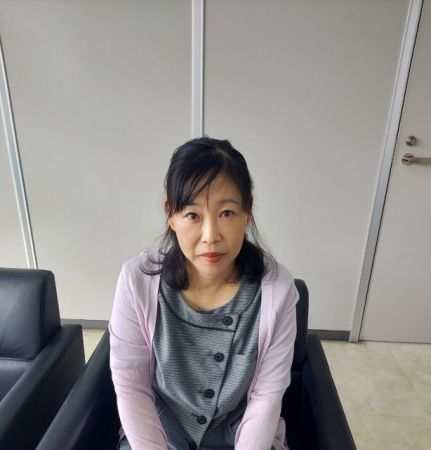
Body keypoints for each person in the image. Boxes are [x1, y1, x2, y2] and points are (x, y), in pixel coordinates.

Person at [109, 137, 299, 450]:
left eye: (227, 213)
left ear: (248, 211)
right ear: (171, 214)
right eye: (193, 215)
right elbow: (132, 387)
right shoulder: (136, 282)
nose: (210, 236)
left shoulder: (278, 292)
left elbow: (266, 397)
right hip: (159, 434)